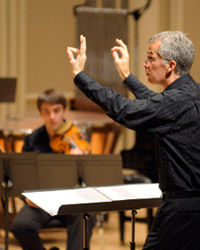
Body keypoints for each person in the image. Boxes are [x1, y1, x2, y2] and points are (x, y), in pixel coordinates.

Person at [66, 31, 200, 249]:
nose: (145, 63)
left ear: (170, 65)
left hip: (181, 212)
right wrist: (127, 78)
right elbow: (160, 105)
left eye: (151, 58)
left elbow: (122, 109)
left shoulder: (172, 103)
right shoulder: (193, 94)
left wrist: (80, 75)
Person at [10, 89, 96, 250]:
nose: (52, 117)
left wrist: (79, 161)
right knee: (20, 226)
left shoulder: (77, 137)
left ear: (63, 110)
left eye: (56, 111)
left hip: (70, 200)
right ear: (40, 113)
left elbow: (88, 178)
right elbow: (24, 175)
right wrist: (27, 198)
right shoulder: (32, 139)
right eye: (46, 112)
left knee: (86, 217)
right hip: (42, 201)